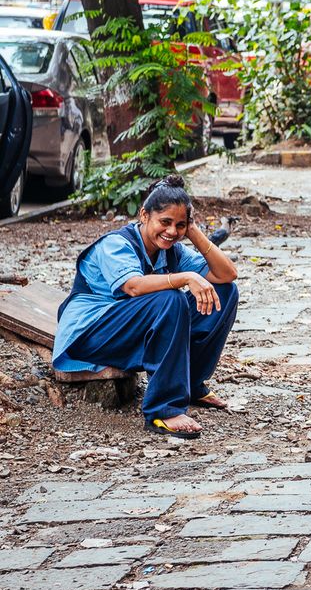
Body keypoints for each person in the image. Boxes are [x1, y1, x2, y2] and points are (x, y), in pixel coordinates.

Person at [53, 175, 240, 439]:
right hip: (91, 337)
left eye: (180, 225)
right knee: (170, 299)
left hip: (129, 333)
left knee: (225, 292)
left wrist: (193, 231)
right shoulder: (116, 244)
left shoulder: (171, 250)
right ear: (144, 215)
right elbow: (133, 286)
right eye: (165, 222)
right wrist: (186, 277)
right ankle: (164, 409)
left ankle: (191, 382)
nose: (172, 231)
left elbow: (227, 274)